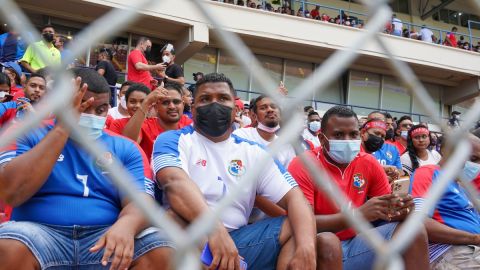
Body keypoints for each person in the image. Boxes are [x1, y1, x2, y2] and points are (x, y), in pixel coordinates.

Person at [0, 68, 174, 269]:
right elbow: (10, 193)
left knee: (161, 246)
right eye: (83, 107)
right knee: (8, 244)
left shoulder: (125, 146)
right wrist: (63, 128)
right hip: (38, 234)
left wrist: (127, 225)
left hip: (104, 236)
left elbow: (142, 201)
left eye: (101, 110)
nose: (92, 116)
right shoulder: (27, 132)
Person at [152, 72, 327, 270]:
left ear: (235, 110)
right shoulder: (173, 140)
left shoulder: (254, 152)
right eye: (205, 99)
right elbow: (175, 183)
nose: (214, 104)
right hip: (192, 236)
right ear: (192, 109)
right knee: (174, 218)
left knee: (298, 225)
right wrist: (215, 231)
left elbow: (296, 199)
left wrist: (307, 248)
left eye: (223, 98)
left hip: (241, 239)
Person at [288, 105, 429, 270]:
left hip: (357, 243)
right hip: (317, 244)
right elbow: (299, 222)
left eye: (353, 134)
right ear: (321, 138)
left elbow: (387, 211)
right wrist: (357, 215)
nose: (347, 141)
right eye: (339, 135)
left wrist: (402, 209)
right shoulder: (303, 164)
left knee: (415, 229)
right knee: (328, 241)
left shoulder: (368, 162)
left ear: (360, 135)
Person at [411, 134, 480, 268]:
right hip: (449, 251)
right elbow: (418, 221)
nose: (477, 165)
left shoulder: (459, 184)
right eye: (473, 158)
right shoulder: (427, 173)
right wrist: (475, 238)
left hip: (471, 249)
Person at [109, 81, 192, 158]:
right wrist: (146, 102)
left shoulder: (190, 125)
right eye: (165, 103)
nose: (172, 106)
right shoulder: (145, 126)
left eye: (176, 102)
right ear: (156, 107)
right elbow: (128, 144)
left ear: (183, 105)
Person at [233, 95, 296, 168]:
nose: (270, 110)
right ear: (254, 116)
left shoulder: (286, 146)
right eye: (263, 108)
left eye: (274, 107)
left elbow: (288, 176)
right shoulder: (241, 135)